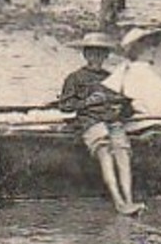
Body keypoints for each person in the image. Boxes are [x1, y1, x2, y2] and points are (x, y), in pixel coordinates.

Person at [58, 32, 143, 215]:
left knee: (123, 153)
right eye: (92, 53)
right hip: (91, 122)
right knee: (104, 151)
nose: (96, 57)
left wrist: (121, 107)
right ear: (85, 55)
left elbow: (129, 108)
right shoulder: (75, 78)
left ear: (106, 56)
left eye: (100, 53)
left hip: (112, 121)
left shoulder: (111, 78)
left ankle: (129, 198)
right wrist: (87, 102)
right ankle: (118, 201)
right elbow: (65, 105)